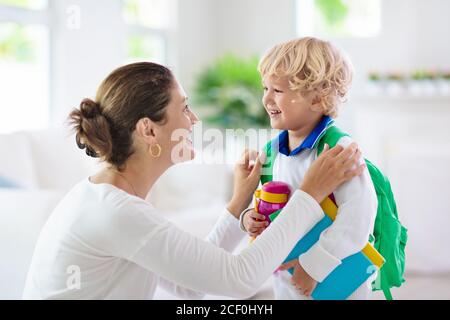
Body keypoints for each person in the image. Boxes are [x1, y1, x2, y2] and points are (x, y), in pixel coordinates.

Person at [22, 62, 364, 300]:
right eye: (184, 108)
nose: (195, 119)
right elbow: (240, 278)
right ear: (148, 129)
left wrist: (236, 204)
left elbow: (188, 288)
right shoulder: (117, 212)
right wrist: (309, 195)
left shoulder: (107, 197)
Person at [242, 37, 378, 300]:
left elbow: (359, 217)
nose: (266, 98)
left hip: (334, 281)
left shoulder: (338, 150)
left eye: (278, 91)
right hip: (287, 279)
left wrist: (313, 266)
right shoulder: (272, 152)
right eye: (265, 88)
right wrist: (250, 218)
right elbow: (271, 205)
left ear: (317, 98)